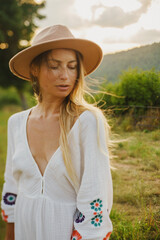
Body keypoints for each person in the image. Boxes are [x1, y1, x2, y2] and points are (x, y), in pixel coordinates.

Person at [1, 25, 113, 240]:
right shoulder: (16, 123)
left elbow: (94, 196)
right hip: (25, 228)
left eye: (72, 67)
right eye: (54, 66)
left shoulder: (87, 122)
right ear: (35, 68)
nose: (65, 76)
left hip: (63, 231)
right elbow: (12, 186)